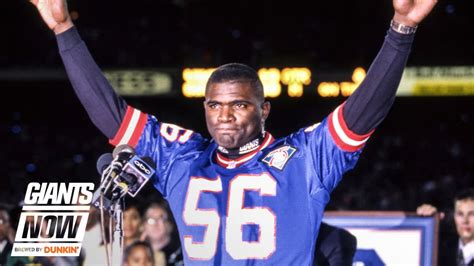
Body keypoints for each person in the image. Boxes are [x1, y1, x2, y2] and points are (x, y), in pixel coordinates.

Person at [30, 0, 437, 264]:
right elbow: (111, 115)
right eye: (214, 105)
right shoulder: (181, 157)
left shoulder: (305, 159)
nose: (224, 116)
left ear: (264, 110)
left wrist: (400, 31)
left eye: (239, 104)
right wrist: (64, 31)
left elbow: (360, 115)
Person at [417, 189, 474, 266]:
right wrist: (426, 220)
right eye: (460, 214)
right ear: (454, 216)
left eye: (471, 214)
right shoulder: (441, 249)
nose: (465, 221)